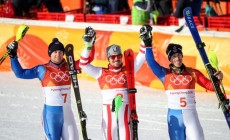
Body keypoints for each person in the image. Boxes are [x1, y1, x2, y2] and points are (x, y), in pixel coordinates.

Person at [141, 24, 224, 140]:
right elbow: (151, 62)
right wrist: (148, 44)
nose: (177, 58)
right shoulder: (165, 74)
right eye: (174, 56)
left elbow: (210, 86)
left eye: (179, 55)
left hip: (191, 117)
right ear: (170, 59)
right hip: (174, 118)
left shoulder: (192, 72)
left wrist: (218, 79)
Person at [6, 37, 94, 140]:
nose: (58, 54)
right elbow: (20, 73)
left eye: (61, 52)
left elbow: (87, 60)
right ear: (50, 53)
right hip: (51, 116)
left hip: (67, 114)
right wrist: (13, 56)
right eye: (55, 52)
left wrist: (91, 44)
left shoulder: (69, 66)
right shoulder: (42, 69)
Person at [79, 26, 146, 140]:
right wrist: (88, 46)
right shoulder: (100, 72)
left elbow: (142, 55)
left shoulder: (128, 70)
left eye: (119, 56)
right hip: (109, 116)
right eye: (113, 57)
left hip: (126, 118)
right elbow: (83, 64)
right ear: (108, 58)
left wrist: (145, 40)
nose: (116, 59)